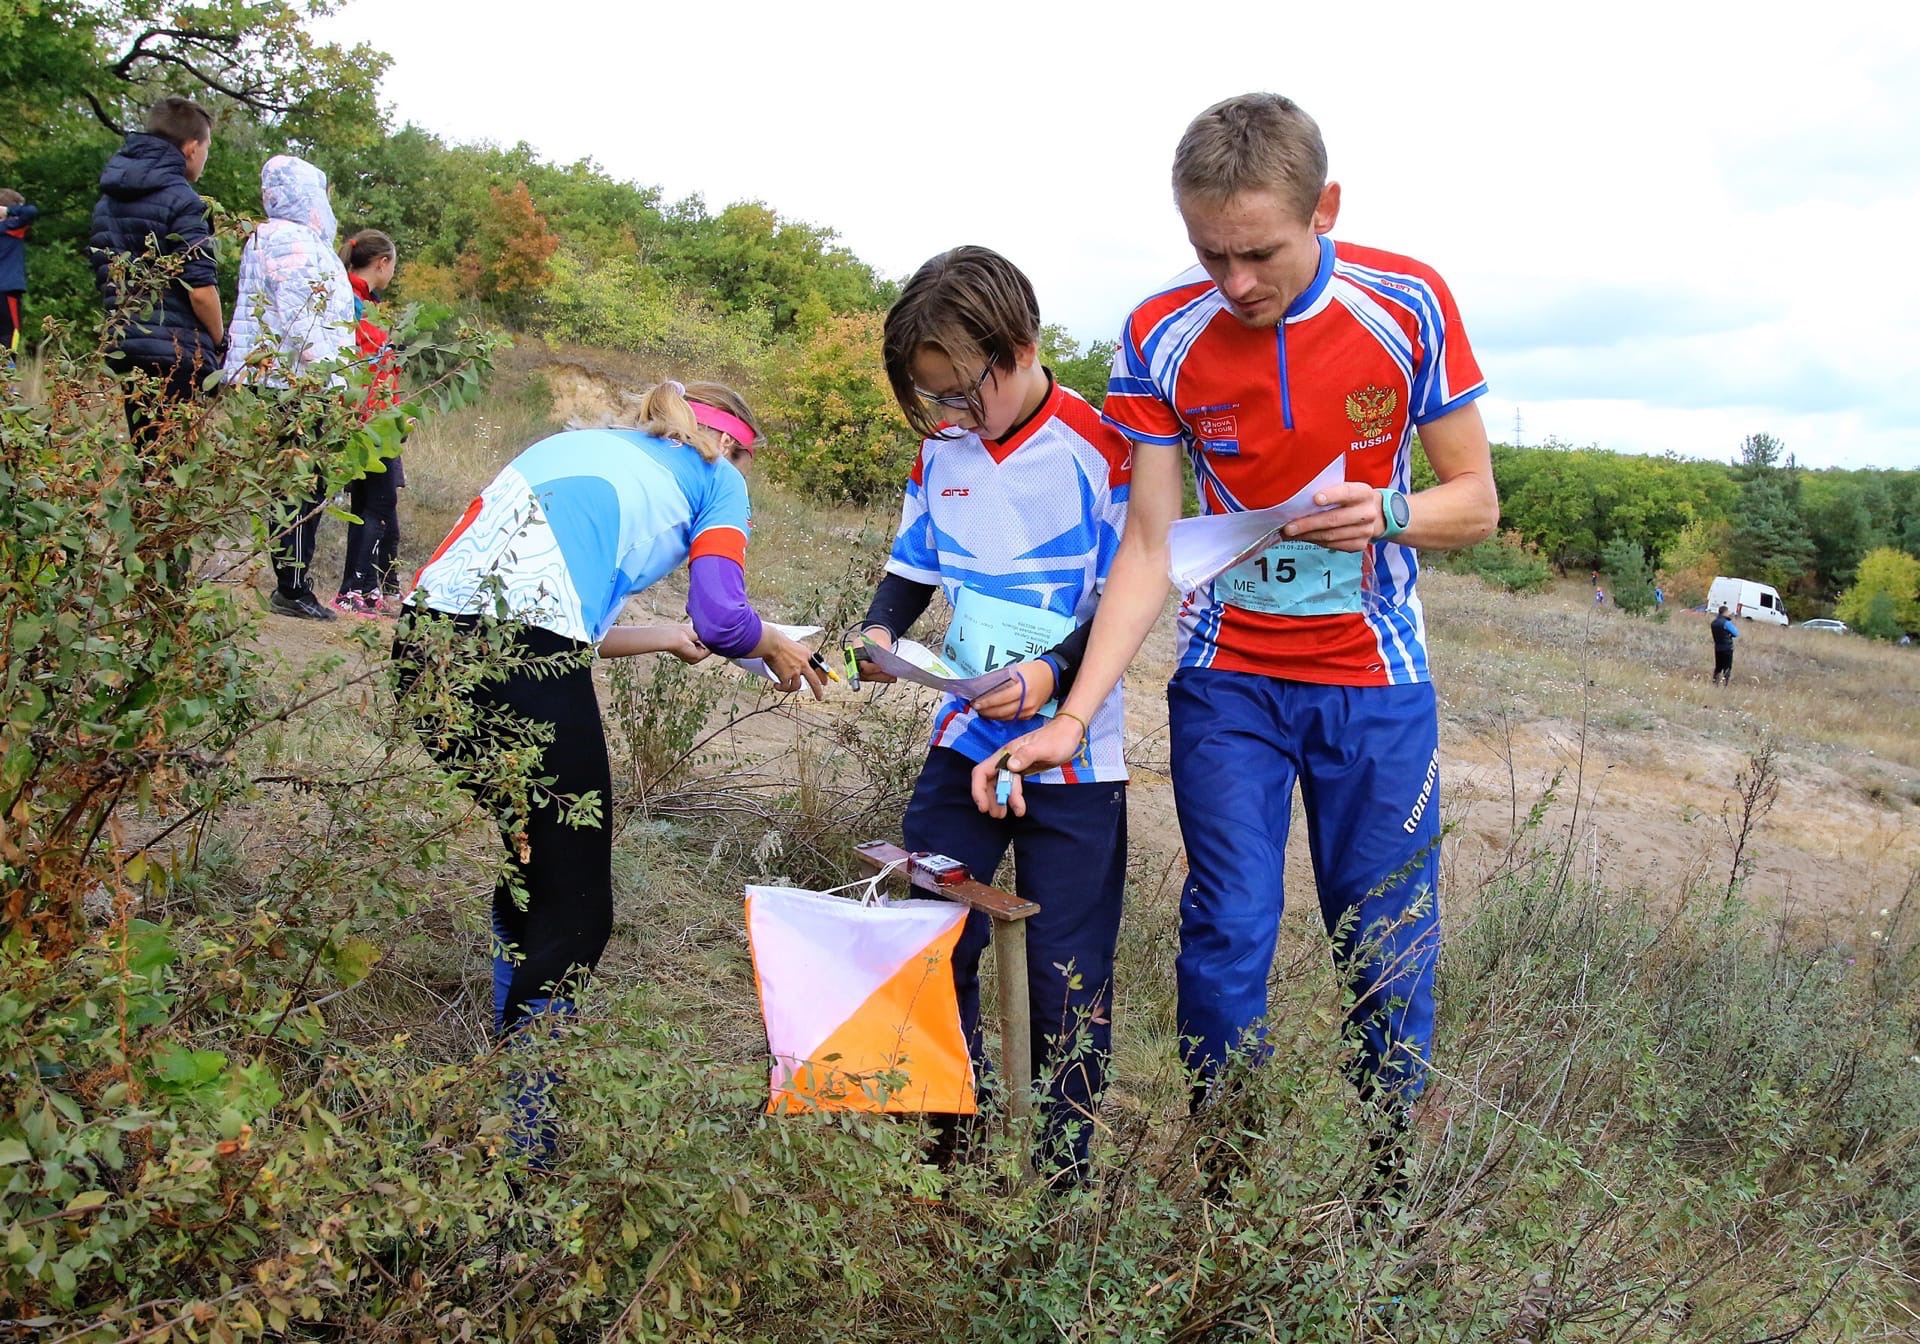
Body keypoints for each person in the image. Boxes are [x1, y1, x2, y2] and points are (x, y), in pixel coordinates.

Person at [974, 93, 1499, 1194]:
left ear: (1328, 210)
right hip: (1230, 685)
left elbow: (1477, 502)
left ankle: (1391, 1193)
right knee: (1226, 937)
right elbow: (1151, 545)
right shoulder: (1161, 332)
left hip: (1376, 686)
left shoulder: (1407, 301)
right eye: (1209, 253)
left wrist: (1390, 514)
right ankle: (1227, 1185)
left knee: (1388, 941)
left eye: (1258, 253)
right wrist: (1072, 712)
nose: (1236, 283)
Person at [394, 380, 827, 1158]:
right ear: (727, 444)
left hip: (424, 650)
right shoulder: (716, 474)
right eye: (747, 461)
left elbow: (546, 616)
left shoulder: (575, 444)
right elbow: (725, 617)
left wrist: (663, 635)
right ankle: (519, 1144)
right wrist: (773, 644)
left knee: (534, 859)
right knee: (579, 911)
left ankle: (505, 1068)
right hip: (523, 661)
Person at [858, 246, 1131, 1178]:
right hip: (960, 740)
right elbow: (912, 562)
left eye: (964, 393)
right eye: (933, 399)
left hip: (1077, 760)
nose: (950, 417)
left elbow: (1131, 600)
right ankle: (943, 1156)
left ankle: (1065, 1185)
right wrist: (879, 631)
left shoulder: (1106, 451)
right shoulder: (941, 450)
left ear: (1021, 348)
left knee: (1067, 980)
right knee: (932, 938)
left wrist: (1055, 673)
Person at [223, 154, 358, 621]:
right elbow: (305, 321)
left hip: (276, 379)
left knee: (292, 483)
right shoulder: (294, 242)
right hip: (296, 384)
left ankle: (292, 581)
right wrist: (332, 381)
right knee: (303, 485)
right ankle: (293, 586)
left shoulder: (270, 237)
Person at [88, 96, 225, 447]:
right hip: (177, 353)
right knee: (178, 467)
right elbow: (200, 290)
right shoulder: (184, 200)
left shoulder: (109, 198)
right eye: (207, 147)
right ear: (192, 147)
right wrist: (220, 339)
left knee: (149, 457)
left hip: (128, 346)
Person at [331, 229, 406, 618]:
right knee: (374, 503)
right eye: (393, 265)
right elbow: (364, 366)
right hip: (366, 419)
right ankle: (353, 589)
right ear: (382, 264)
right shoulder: (353, 302)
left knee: (379, 502)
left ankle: (372, 587)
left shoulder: (363, 301)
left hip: (375, 418)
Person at [0, 188, 41, 360]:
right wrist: (9, 210)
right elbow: (31, 212)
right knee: (10, 334)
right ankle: (7, 382)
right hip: (7, 290)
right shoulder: (10, 228)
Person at [1710, 604, 1738, 686]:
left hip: (1718, 648)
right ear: (1725, 612)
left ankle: (1715, 683)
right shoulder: (1726, 623)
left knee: (1718, 667)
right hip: (1727, 648)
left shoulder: (1713, 623)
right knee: (1727, 667)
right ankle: (1725, 684)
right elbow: (1736, 633)